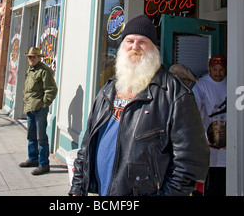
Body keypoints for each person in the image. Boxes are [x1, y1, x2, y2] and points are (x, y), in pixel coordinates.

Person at [69, 15, 209, 196]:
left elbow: (190, 163)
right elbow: (87, 145)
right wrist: (78, 188)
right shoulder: (107, 90)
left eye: (143, 42)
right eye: (130, 41)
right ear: (122, 47)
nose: (135, 47)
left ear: (155, 49)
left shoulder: (175, 94)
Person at [19, 46, 58, 175]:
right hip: (29, 107)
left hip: (39, 109)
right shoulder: (30, 70)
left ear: (38, 58)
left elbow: (51, 89)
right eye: (29, 57)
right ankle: (33, 158)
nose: (31, 59)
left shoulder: (44, 71)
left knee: (41, 137)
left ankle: (44, 164)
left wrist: (45, 103)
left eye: (33, 57)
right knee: (31, 135)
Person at [193, 55, 227, 196]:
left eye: (221, 70)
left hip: (228, 145)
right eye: (215, 69)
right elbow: (193, 110)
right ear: (209, 69)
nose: (218, 73)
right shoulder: (201, 85)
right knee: (209, 184)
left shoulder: (233, 83)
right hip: (207, 143)